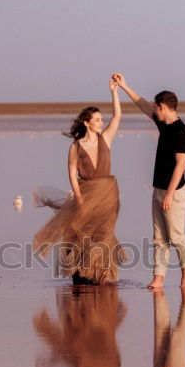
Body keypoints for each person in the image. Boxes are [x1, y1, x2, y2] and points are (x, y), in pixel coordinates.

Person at [34, 80, 123, 285]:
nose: (101, 122)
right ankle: (80, 272)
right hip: (85, 193)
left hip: (107, 195)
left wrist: (114, 92)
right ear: (87, 123)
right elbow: (72, 173)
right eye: (97, 120)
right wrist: (80, 198)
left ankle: (101, 275)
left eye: (102, 119)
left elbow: (118, 116)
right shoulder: (76, 147)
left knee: (103, 235)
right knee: (79, 232)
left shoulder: (106, 139)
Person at [112, 74, 185, 291]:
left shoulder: (181, 132)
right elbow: (142, 105)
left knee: (176, 237)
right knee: (159, 239)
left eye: (156, 107)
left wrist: (168, 195)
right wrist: (124, 86)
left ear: (164, 107)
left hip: (174, 193)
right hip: (158, 189)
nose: (153, 110)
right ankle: (158, 278)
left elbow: (181, 165)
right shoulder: (164, 124)